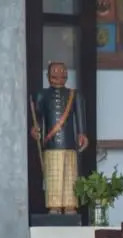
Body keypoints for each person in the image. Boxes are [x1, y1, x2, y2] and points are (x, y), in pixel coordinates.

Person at [30, 62, 89, 214]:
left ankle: (70, 205)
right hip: (51, 144)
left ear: (66, 76)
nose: (58, 79)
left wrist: (82, 133)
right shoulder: (42, 95)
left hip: (69, 143)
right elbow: (38, 118)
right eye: (54, 76)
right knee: (53, 176)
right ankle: (54, 205)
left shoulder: (74, 95)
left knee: (70, 176)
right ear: (48, 76)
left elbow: (80, 117)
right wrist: (35, 130)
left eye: (62, 76)